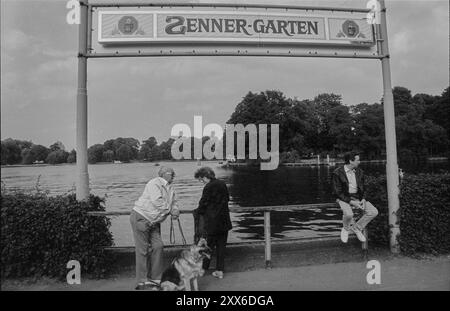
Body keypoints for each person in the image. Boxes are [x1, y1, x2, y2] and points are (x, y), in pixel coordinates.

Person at [130, 166, 180, 290]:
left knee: (158, 246)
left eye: (173, 173)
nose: (173, 175)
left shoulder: (170, 188)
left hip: (154, 222)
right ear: (163, 174)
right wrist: (170, 211)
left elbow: (174, 203)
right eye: (171, 173)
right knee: (142, 250)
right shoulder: (154, 183)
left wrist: (176, 210)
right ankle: (142, 281)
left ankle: (156, 278)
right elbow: (157, 201)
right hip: (141, 217)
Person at [332, 152, 378, 243]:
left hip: (358, 197)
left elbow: (364, 188)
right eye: (358, 160)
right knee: (349, 214)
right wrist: (351, 202)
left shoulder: (360, 172)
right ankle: (345, 229)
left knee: (373, 212)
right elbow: (337, 192)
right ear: (350, 161)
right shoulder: (337, 173)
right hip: (343, 197)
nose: (359, 162)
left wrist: (364, 199)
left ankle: (357, 228)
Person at [194, 167, 232, 279]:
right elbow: (227, 199)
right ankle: (220, 271)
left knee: (207, 246)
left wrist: (198, 212)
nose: (202, 182)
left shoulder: (208, 187)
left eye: (201, 179)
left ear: (205, 176)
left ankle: (203, 269)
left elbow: (203, 204)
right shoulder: (222, 184)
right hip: (224, 221)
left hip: (212, 222)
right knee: (221, 247)